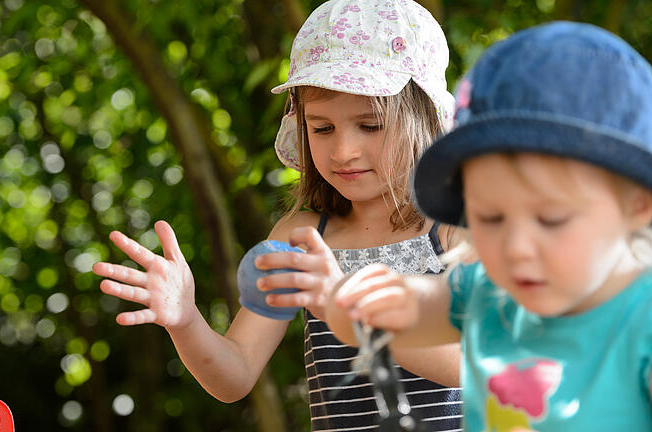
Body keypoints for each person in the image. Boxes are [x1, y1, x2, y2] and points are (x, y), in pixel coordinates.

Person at [93, 1, 463, 430]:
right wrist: (186, 320)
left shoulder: (457, 229)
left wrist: (348, 308)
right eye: (322, 128)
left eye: (371, 124)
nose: (343, 151)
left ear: (424, 120)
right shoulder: (301, 236)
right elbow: (234, 376)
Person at [327, 21, 652, 431]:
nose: (515, 247)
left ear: (639, 206)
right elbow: (365, 315)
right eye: (490, 217)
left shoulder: (641, 320)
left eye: (551, 218)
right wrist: (362, 297)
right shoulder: (486, 295)